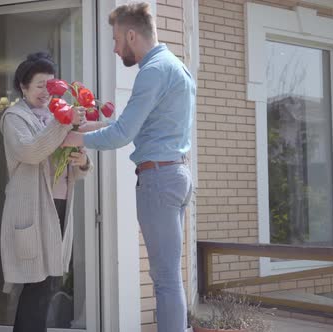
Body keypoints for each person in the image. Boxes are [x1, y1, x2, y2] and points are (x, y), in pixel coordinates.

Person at [62, 3, 196, 332]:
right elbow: (128, 125)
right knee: (169, 276)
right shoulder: (176, 66)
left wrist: (73, 141)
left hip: (159, 180)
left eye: (116, 38)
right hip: (175, 174)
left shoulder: (152, 70)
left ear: (132, 35)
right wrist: (81, 129)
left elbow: (122, 135)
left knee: (164, 280)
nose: (113, 46)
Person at [0, 52, 91, 332]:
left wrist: (83, 162)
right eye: (39, 85)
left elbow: (72, 160)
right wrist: (63, 121)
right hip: (33, 208)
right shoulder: (14, 117)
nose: (46, 92)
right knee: (36, 283)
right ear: (23, 87)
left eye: (50, 85)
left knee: (49, 283)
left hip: (59, 204)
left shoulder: (56, 115)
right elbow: (31, 152)